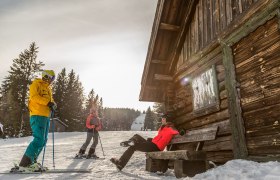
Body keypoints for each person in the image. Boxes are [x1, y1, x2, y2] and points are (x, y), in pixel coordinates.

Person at [14, 70, 56, 172]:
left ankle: (32, 162)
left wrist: (53, 104)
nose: (52, 81)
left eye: (53, 79)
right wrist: (48, 102)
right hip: (37, 115)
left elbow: (50, 101)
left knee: (43, 141)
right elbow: (34, 97)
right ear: (46, 76)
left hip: (46, 116)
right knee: (39, 139)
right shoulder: (36, 84)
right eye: (52, 78)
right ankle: (24, 164)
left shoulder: (48, 89)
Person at [110, 114, 179, 171]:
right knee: (136, 136)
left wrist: (182, 131)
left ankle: (121, 163)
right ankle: (131, 142)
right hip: (152, 144)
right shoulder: (162, 128)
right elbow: (159, 138)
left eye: (164, 119)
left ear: (168, 120)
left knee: (133, 146)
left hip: (156, 147)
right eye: (162, 118)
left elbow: (177, 132)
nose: (162, 120)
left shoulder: (171, 129)